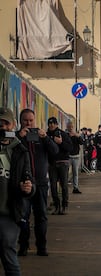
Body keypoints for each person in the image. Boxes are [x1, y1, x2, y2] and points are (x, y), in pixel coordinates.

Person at [16, 109, 59, 257]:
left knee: (41, 216)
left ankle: (42, 247)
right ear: (20, 122)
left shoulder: (42, 138)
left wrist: (46, 137)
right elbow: (9, 152)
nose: (28, 123)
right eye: (25, 121)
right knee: (23, 217)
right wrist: (18, 137)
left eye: (31, 120)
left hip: (40, 183)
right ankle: (23, 246)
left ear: (35, 121)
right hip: (24, 184)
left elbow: (55, 151)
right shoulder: (16, 138)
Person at [0, 107, 35, 275]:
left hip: (9, 211)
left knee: (8, 251)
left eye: (6, 123)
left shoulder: (20, 151)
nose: (2, 127)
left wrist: (28, 188)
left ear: (13, 125)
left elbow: (29, 181)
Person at [47, 117, 73, 215]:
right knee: (53, 186)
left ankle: (64, 206)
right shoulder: (46, 135)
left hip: (63, 162)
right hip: (52, 163)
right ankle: (56, 206)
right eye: (50, 123)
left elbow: (70, 147)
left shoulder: (63, 134)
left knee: (64, 185)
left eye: (53, 123)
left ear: (57, 124)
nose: (51, 125)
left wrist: (61, 142)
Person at [66, 121, 84, 194]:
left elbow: (82, 142)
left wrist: (78, 136)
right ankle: (64, 188)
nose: (70, 128)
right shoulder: (65, 135)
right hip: (68, 157)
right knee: (65, 173)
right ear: (67, 127)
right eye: (69, 126)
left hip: (76, 156)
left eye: (72, 127)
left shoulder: (77, 135)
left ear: (73, 127)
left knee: (75, 173)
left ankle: (75, 188)